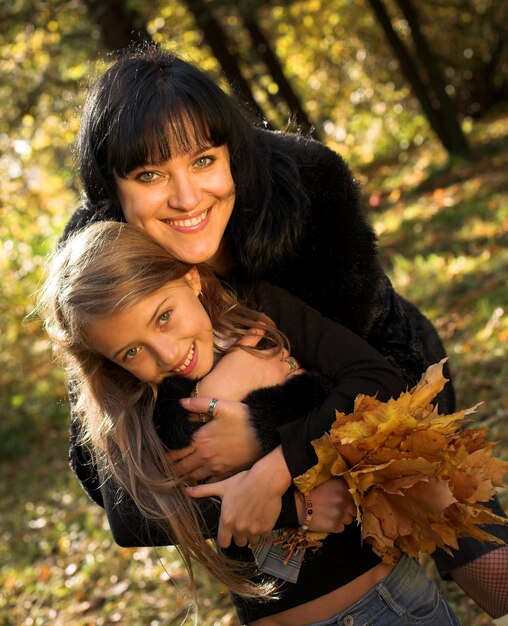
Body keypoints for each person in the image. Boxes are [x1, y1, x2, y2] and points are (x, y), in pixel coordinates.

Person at [62, 45, 507, 617]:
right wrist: (277, 497)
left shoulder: (304, 188)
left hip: (385, 414)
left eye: (203, 161)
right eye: (150, 175)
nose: (186, 197)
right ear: (111, 191)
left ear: (231, 155)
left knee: (483, 557)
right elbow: (115, 490)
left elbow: (388, 366)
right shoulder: (99, 268)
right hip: (278, 528)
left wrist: (266, 435)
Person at [40, 220, 460, 625]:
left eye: (163, 316)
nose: (165, 355)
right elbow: (132, 519)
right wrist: (289, 507)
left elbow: (378, 382)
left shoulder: (261, 311)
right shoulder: (136, 400)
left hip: (379, 607)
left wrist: (273, 458)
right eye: (131, 352)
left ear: (191, 280)